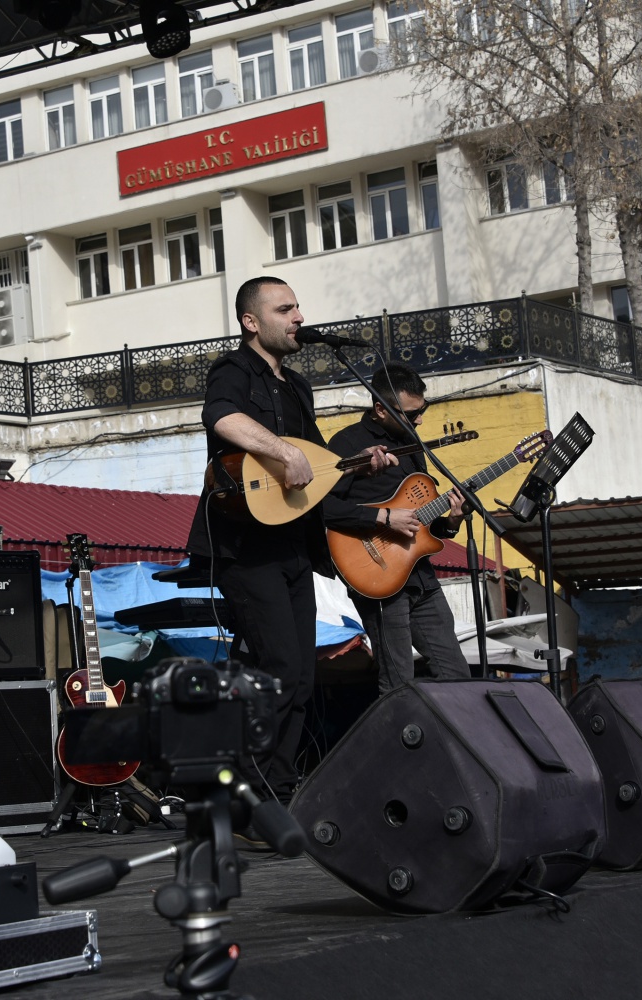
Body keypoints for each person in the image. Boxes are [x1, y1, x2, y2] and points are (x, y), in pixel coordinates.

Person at [187, 276, 391, 804]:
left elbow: (318, 463)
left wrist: (361, 468)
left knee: (301, 676)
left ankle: (278, 790)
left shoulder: (298, 385)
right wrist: (280, 450)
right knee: (277, 669)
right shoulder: (232, 371)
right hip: (246, 548)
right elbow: (221, 418)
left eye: (298, 306)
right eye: (285, 309)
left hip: (294, 545)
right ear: (251, 322)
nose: (298, 316)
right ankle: (250, 797)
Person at [325, 363, 471, 694]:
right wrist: (384, 519)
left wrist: (452, 519)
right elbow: (322, 507)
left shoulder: (412, 444)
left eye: (422, 410)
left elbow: (424, 526)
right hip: (379, 579)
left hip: (421, 577)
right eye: (411, 413)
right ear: (380, 408)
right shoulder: (348, 443)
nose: (419, 420)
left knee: (459, 678)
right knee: (398, 684)